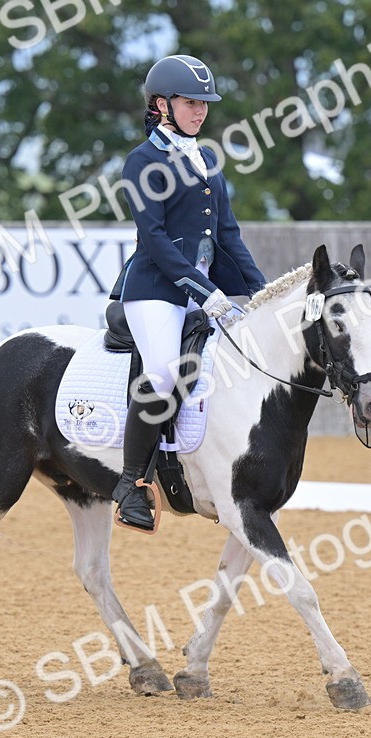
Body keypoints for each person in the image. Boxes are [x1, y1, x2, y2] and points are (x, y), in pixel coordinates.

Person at [110, 54, 267, 531]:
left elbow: (228, 234)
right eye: (189, 102)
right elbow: (154, 241)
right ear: (162, 105)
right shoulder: (142, 161)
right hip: (154, 292)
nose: (200, 111)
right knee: (160, 373)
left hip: (200, 293)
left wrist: (262, 291)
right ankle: (131, 484)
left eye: (204, 104)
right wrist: (206, 291)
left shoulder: (206, 160)